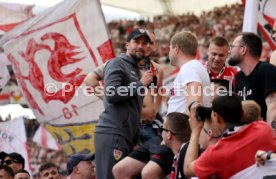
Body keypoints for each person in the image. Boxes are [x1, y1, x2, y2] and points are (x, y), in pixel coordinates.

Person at [85, 30, 164, 144]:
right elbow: (89, 80)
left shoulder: (158, 69)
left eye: (149, 43)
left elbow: (159, 93)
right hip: (129, 125)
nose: (146, 46)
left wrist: (154, 112)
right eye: (140, 42)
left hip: (150, 126)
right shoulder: (121, 63)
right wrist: (108, 98)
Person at [94, 28, 153, 179]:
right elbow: (111, 94)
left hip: (125, 135)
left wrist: (135, 138)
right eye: (136, 42)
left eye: (144, 43)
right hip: (112, 132)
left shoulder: (136, 69)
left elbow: (134, 108)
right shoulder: (117, 63)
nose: (140, 46)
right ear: (127, 45)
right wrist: (140, 84)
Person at [183, 93, 276, 178]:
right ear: (242, 113)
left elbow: (187, 169)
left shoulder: (215, 154)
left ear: (218, 118)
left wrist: (195, 131)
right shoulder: (263, 129)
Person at [228, 32, 276, 132]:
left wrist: (271, 138)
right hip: (246, 136)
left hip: (263, 137)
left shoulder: (266, 70)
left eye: (232, 47)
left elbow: (273, 107)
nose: (229, 51)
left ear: (243, 50)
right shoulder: (239, 76)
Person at [167, 31, 210, 114]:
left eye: (170, 49)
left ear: (176, 49)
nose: (169, 52)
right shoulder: (192, 66)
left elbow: (194, 105)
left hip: (183, 126)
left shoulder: (189, 68)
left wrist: (187, 126)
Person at [161, 112, 191, 179]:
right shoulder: (180, 153)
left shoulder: (187, 155)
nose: (161, 133)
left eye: (162, 129)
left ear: (169, 134)